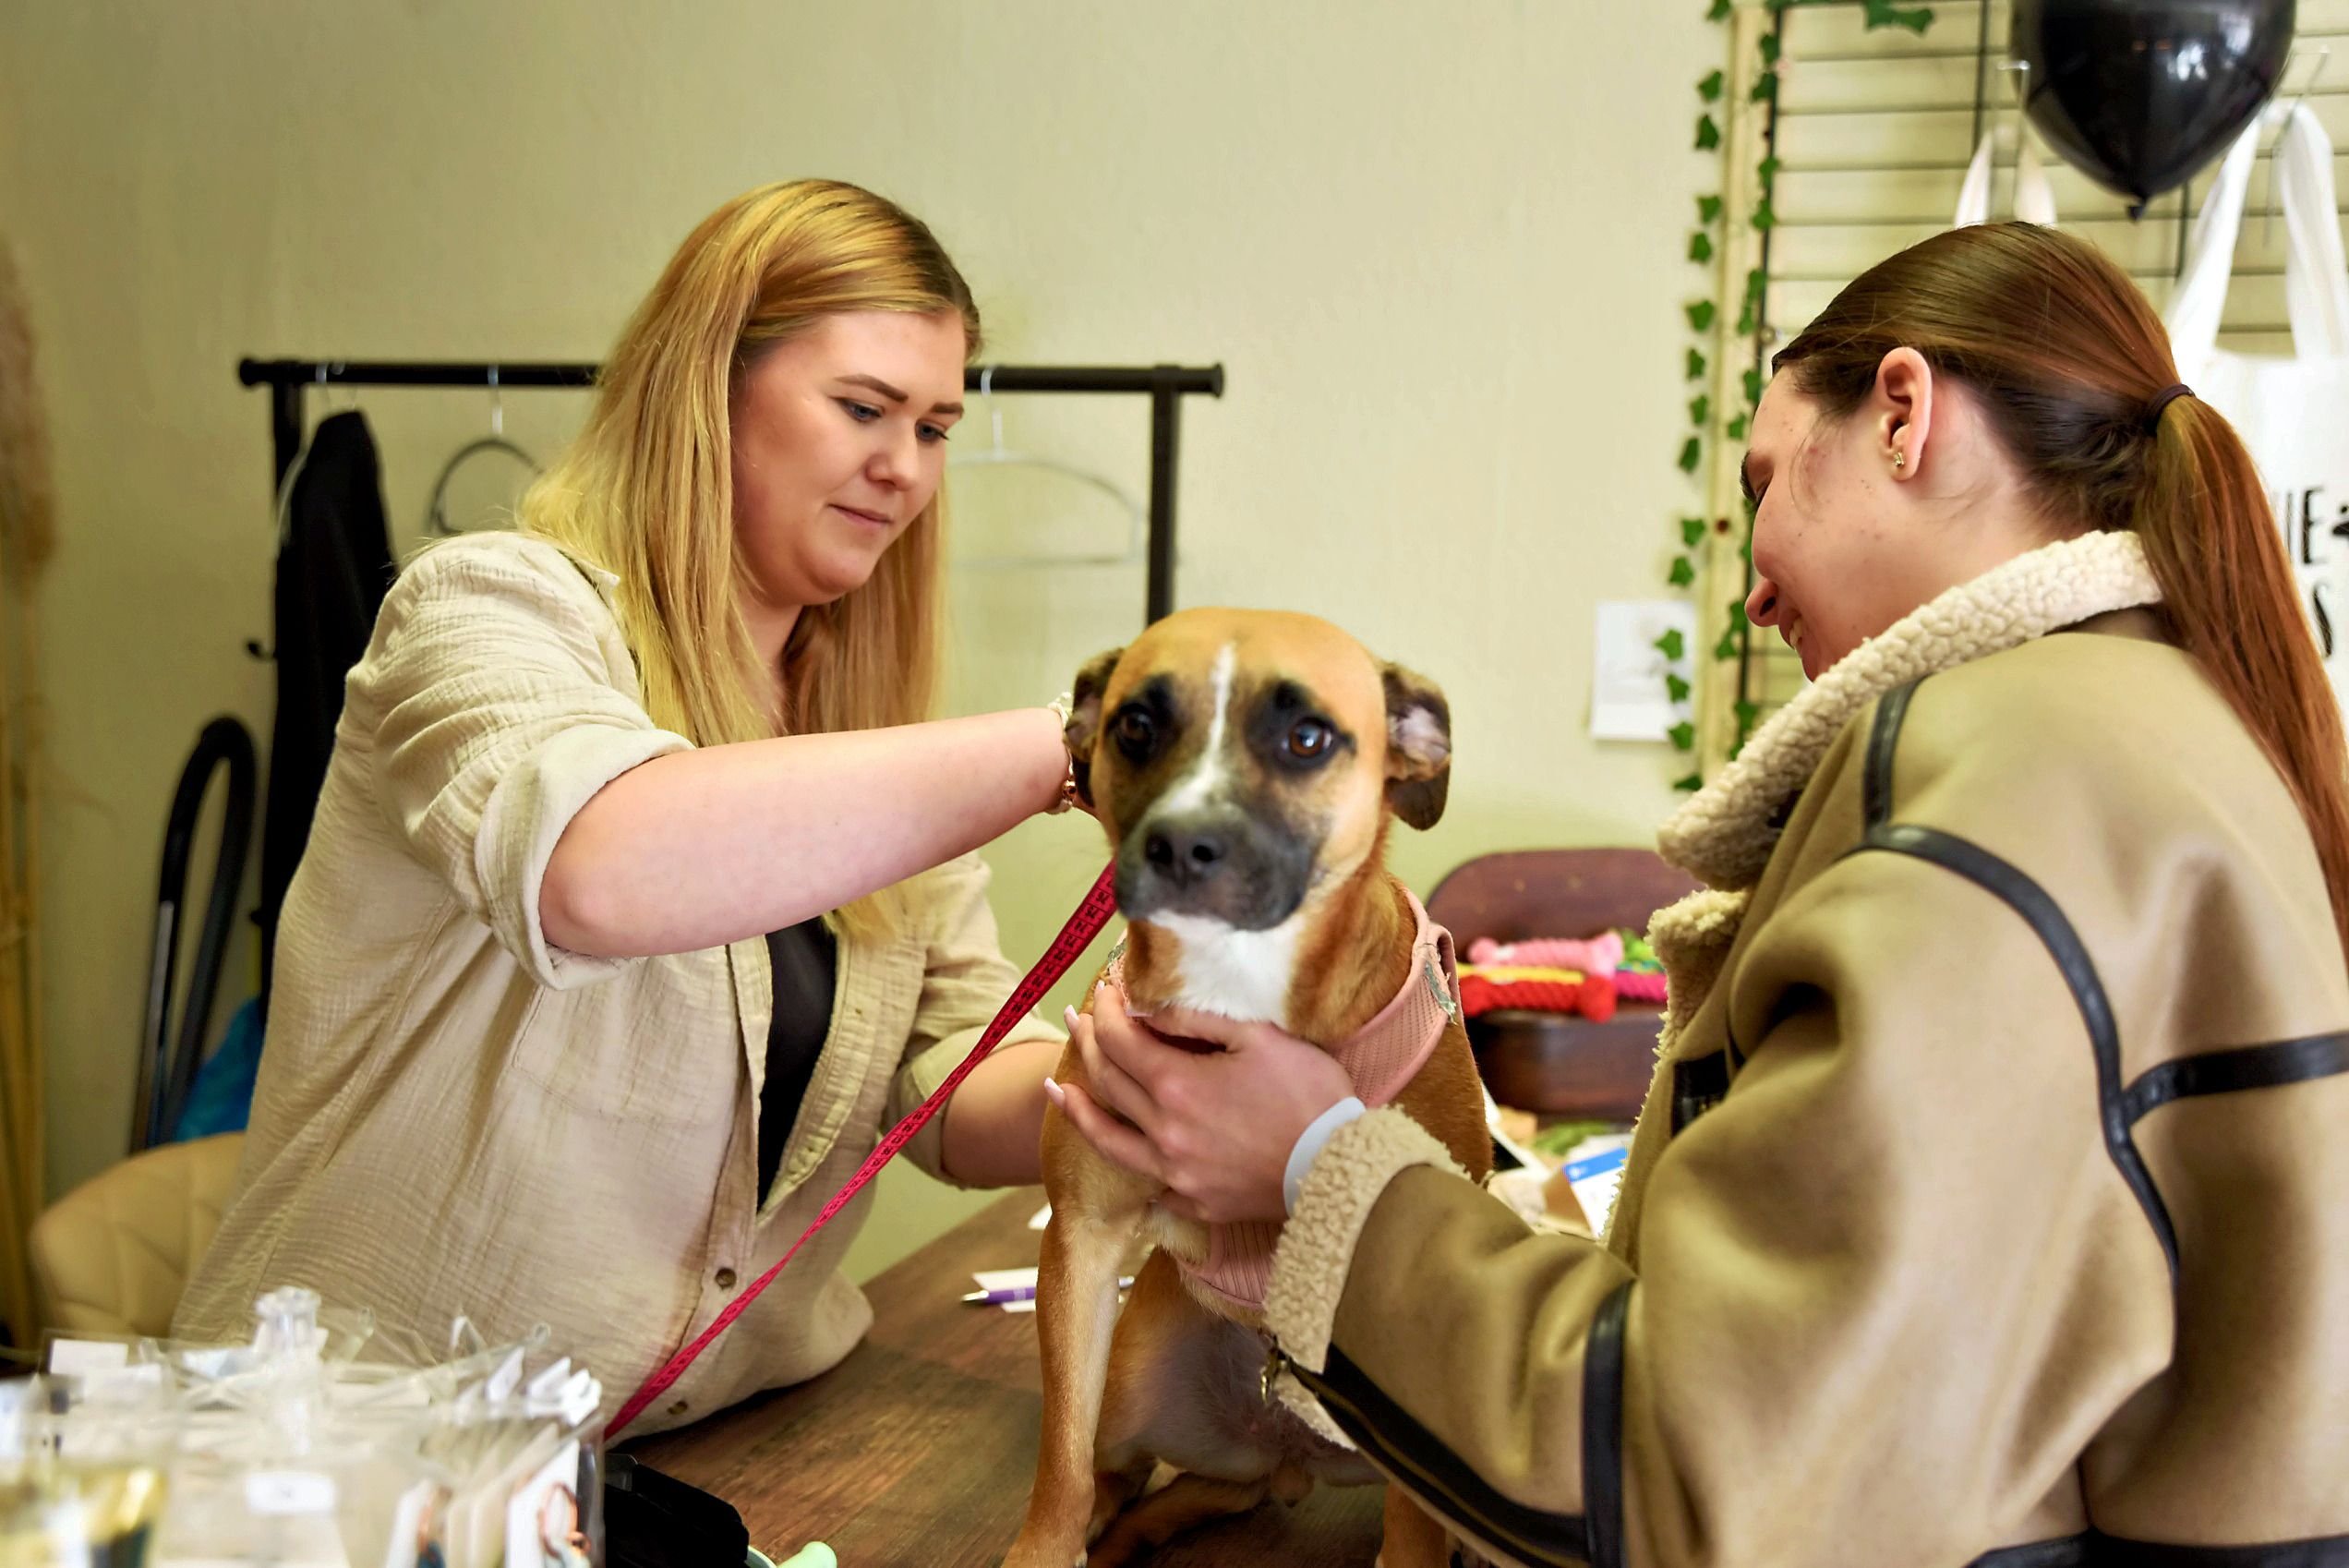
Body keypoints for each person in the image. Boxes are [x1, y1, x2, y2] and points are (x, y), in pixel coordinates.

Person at [1048, 223, 2349, 1563]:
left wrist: (1317, 1165)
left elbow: (1702, 1472)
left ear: (1902, 415)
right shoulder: (2146, 722)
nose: (1753, 588)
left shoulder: (2004, 782)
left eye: (1766, 481)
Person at [175, 180, 1078, 1433]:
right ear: (706, 389)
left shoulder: (863, 751)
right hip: (364, 1469)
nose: (903, 469)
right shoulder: (488, 614)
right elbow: (596, 869)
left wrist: (1147, 1074)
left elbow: (959, 1081)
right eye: (864, 408)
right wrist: (1078, 744)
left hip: (703, 1452)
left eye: (932, 426)